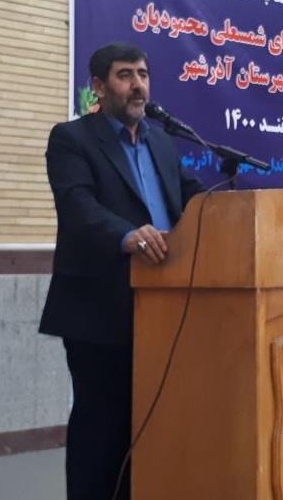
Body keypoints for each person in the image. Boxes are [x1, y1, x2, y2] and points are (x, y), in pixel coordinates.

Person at [40, 42, 204, 500]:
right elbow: (77, 206)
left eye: (143, 75)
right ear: (98, 85)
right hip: (99, 309)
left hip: (164, 308)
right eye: (125, 75)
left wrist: (239, 209)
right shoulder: (72, 139)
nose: (138, 85)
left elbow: (194, 197)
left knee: (148, 427)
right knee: (102, 429)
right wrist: (127, 235)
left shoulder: (162, 143)